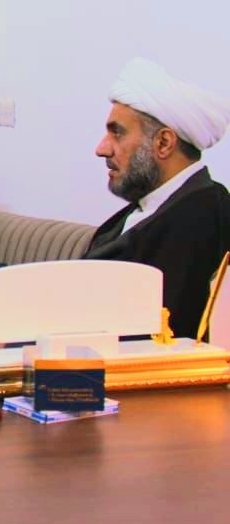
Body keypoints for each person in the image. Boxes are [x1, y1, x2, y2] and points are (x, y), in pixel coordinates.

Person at [83, 57, 230, 337]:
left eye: (117, 134)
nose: (102, 149)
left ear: (163, 143)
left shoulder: (199, 217)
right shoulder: (154, 206)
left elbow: (163, 334)